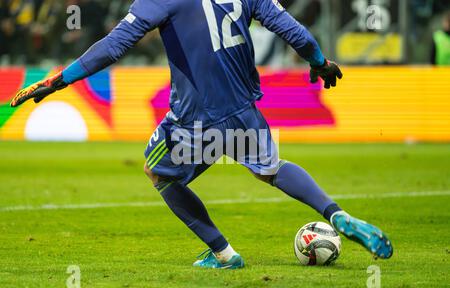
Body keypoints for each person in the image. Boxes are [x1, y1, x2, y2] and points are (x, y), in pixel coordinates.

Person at [10, 0, 393, 269]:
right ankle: (336, 214)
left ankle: (224, 255)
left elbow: (114, 46)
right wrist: (320, 63)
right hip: (243, 108)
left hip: (194, 118)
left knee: (157, 172)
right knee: (271, 169)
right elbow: (293, 30)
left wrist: (61, 79)